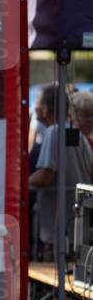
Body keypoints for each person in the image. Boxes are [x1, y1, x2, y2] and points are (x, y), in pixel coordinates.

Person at [30, 90, 92, 260]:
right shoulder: (81, 137)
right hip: (79, 227)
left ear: (45, 108)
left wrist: (21, 184)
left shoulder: (55, 132)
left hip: (60, 229)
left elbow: (46, 176)